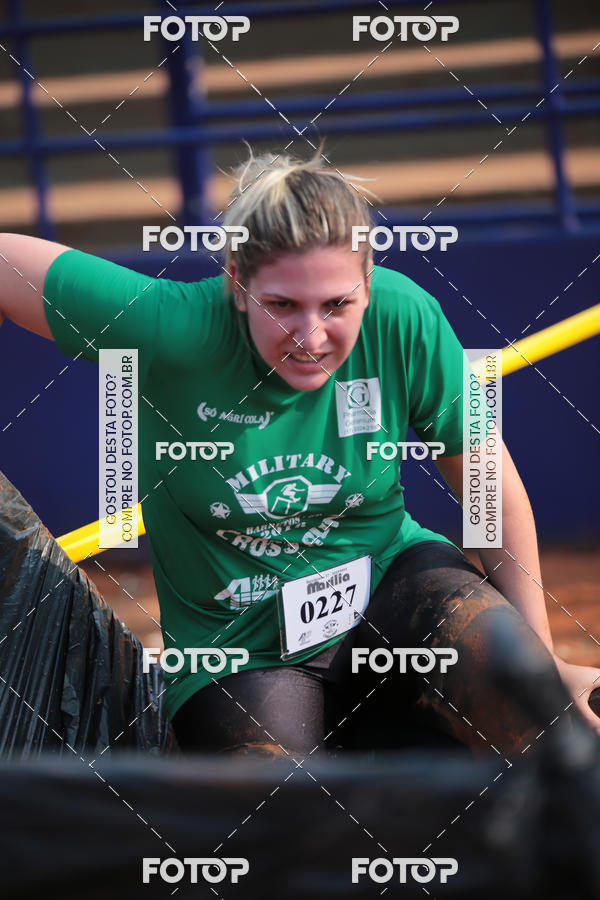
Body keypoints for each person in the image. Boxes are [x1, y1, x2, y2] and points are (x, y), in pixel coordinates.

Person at [1, 147, 599, 761]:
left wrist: (543, 663)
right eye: (282, 305)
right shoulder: (170, 326)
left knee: (532, 704)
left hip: (394, 582)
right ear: (238, 282)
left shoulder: (404, 317)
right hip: (237, 647)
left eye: (337, 304)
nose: (310, 336)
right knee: (277, 807)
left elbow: (486, 482)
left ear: (368, 283)